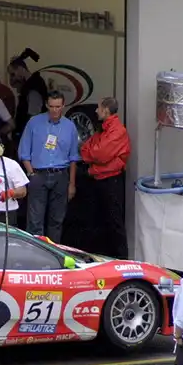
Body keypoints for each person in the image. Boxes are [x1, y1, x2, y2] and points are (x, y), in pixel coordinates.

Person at [18, 91, 80, 242]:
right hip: (38, 174)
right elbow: (23, 151)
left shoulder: (69, 126)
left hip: (60, 175)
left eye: (58, 106)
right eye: (51, 106)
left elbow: (73, 158)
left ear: (63, 106)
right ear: (46, 105)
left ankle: (54, 255)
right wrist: (31, 173)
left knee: (57, 221)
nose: (54, 110)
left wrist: (72, 184)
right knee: (35, 221)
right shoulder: (34, 122)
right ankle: (34, 255)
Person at [79, 96, 132, 259]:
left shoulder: (117, 131)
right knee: (96, 221)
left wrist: (93, 158)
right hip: (99, 180)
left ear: (106, 110)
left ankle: (121, 259)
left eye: (99, 108)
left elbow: (98, 154)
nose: (96, 111)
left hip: (111, 182)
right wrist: (94, 156)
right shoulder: (104, 129)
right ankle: (100, 257)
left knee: (114, 223)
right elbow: (86, 150)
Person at [7, 48, 49, 139]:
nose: (12, 79)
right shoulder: (29, 86)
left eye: (13, 74)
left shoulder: (34, 86)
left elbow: (34, 115)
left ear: (21, 69)